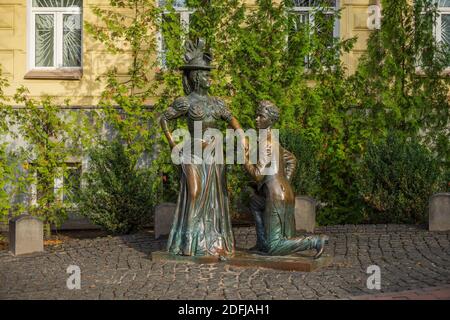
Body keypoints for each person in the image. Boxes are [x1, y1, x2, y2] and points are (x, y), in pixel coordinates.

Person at [160, 39, 244, 257]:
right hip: (193, 153)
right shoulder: (185, 102)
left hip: (214, 156)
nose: (210, 78)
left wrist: (242, 136)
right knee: (195, 194)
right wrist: (173, 144)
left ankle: (213, 241)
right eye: (206, 74)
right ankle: (189, 242)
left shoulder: (217, 103)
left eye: (210, 74)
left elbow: (232, 120)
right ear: (196, 77)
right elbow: (164, 120)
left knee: (216, 199)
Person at [244, 100, 328, 258]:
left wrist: (245, 158)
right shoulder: (274, 141)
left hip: (277, 196)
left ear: (270, 120)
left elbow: (257, 174)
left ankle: (315, 241)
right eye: (256, 115)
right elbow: (292, 160)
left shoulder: (265, 143)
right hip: (285, 193)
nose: (256, 119)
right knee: (255, 202)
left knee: (275, 247)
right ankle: (262, 243)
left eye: (261, 116)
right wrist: (283, 182)